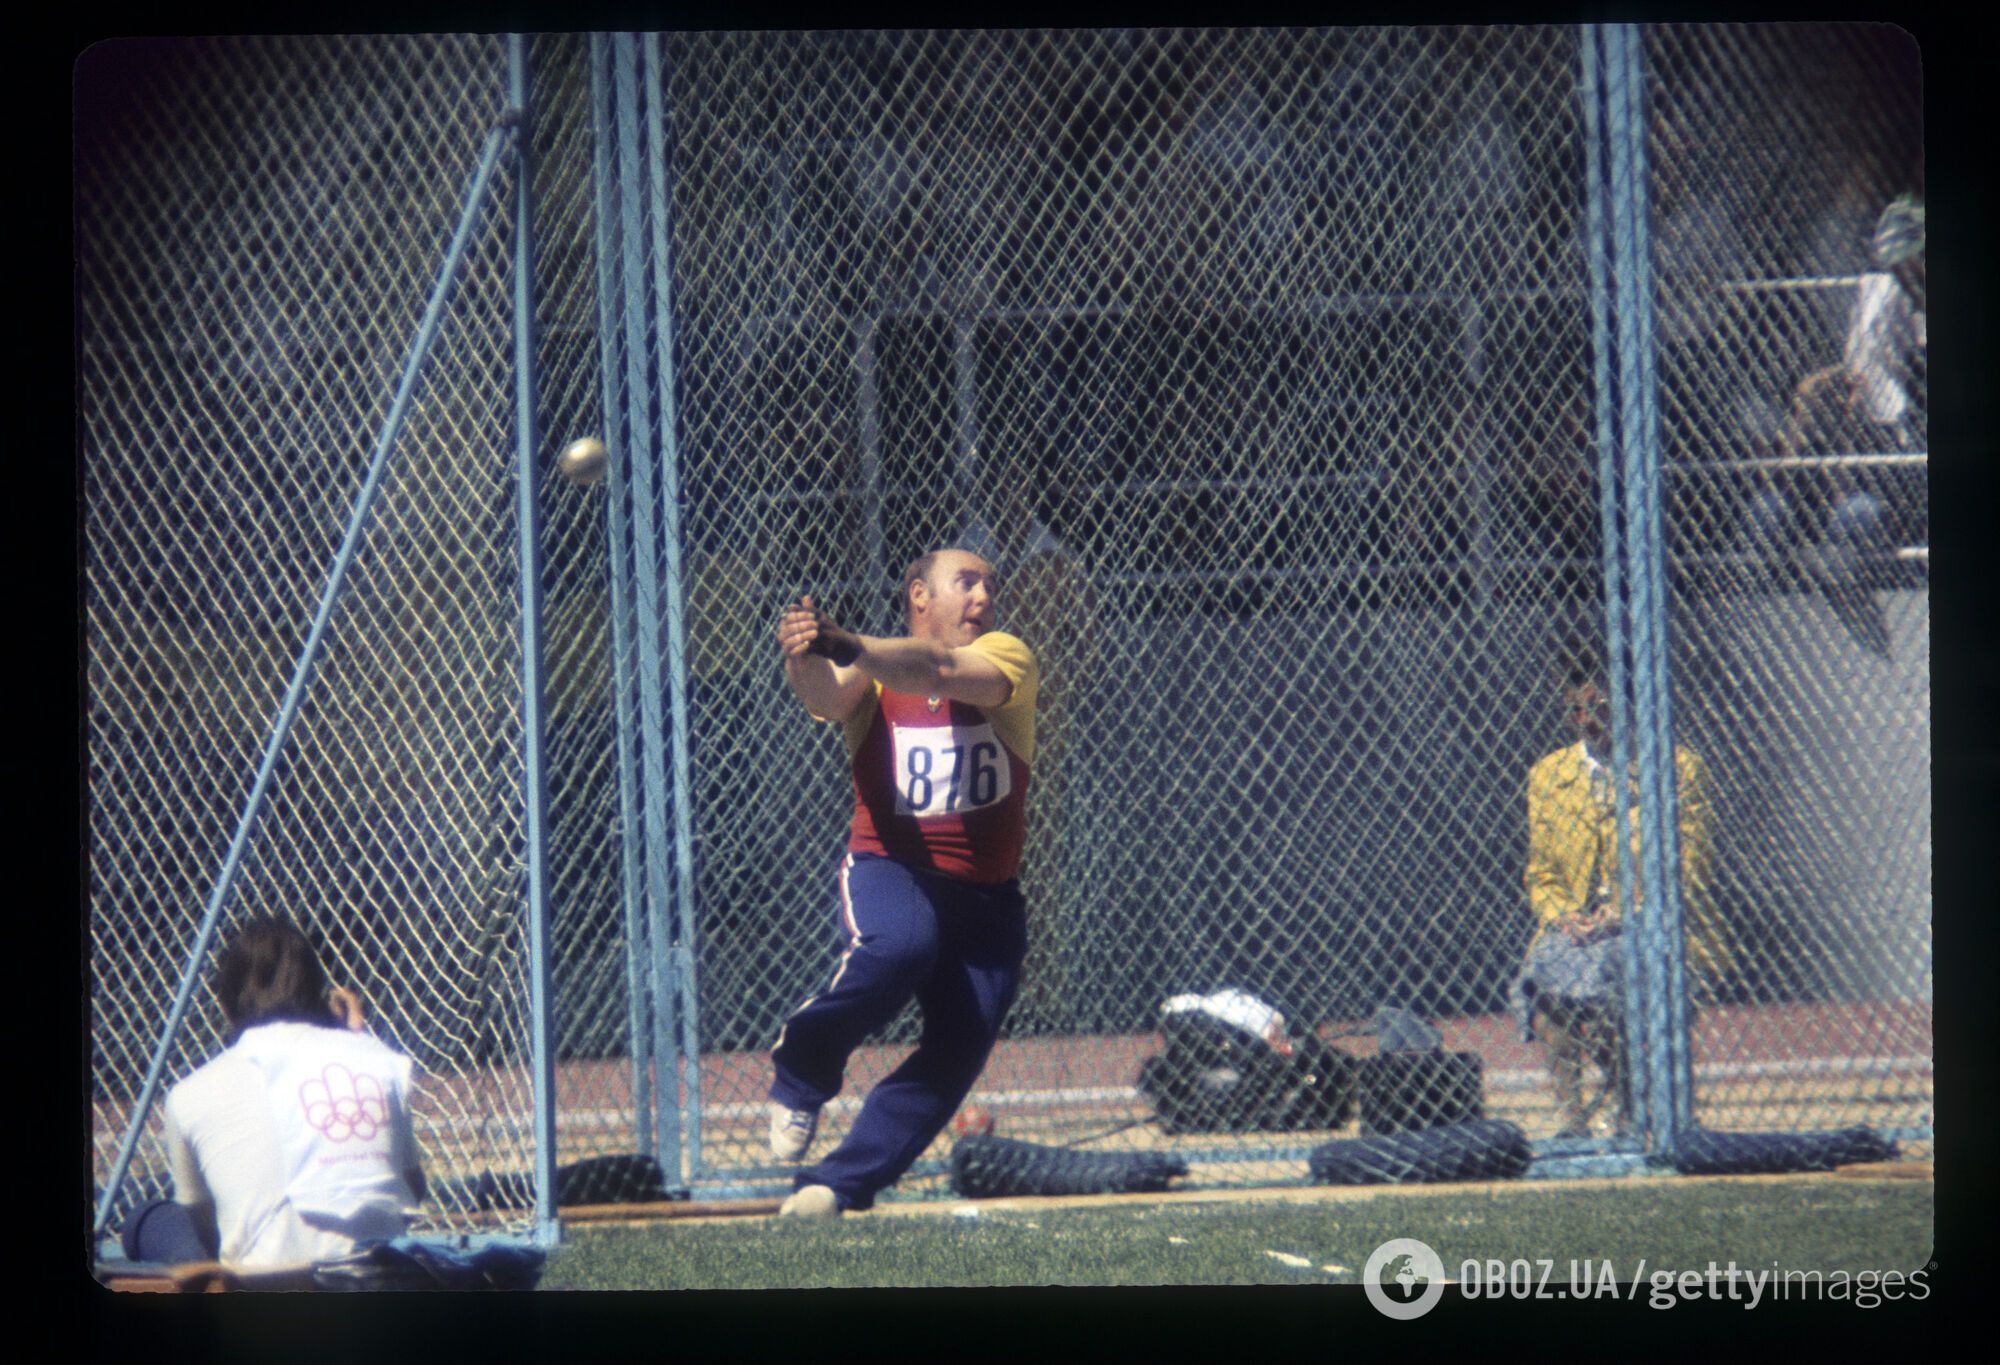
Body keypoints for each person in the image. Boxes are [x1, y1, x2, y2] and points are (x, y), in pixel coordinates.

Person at [766, 548, 1039, 1217]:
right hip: (890, 866)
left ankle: (839, 1183)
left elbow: (942, 668)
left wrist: (850, 643)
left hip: (987, 899)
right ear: (920, 594)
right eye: (965, 582)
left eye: (988, 586)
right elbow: (826, 698)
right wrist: (804, 653)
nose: (983, 597)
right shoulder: (873, 669)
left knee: (959, 1046)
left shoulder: (1007, 655)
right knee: (900, 946)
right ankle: (803, 1067)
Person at [119, 918, 426, 1268]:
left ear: (225, 1002)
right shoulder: (381, 1063)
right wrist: (357, 1040)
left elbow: (203, 1221)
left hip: (262, 1279)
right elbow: (412, 1190)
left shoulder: (189, 1093)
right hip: (375, 1269)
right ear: (318, 993)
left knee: (150, 1218)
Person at [1512, 648, 1729, 1139]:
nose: (1588, 720)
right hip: (1582, 928)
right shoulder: (1549, 775)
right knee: (1549, 991)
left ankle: (1631, 1107)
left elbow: (1689, 861)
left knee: (1614, 988)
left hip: (1651, 921)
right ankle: (1574, 1122)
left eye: (1601, 706)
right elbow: (1541, 873)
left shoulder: (1674, 766)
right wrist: (1565, 915)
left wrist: (1630, 907)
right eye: (1576, 710)